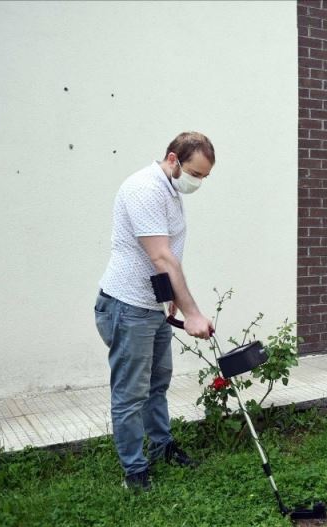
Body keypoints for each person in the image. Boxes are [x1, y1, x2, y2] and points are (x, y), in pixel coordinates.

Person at [95, 132, 216, 491]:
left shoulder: (171, 190)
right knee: (130, 394)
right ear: (173, 159)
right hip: (127, 306)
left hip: (154, 306)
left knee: (157, 384)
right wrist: (193, 314)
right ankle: (135, 471)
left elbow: (168, 258)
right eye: (196, 173)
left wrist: (172, 298)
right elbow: (160, 256)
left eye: (205, 177)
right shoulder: (145, 189)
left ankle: (162, 447)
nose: (199, 182)